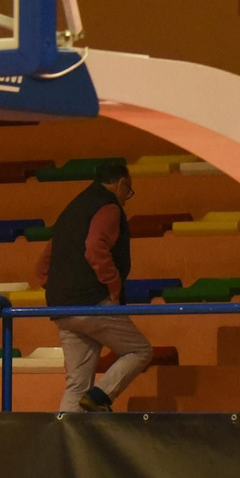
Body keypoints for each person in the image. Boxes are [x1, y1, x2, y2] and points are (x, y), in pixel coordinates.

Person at [35, 159, 153, 412]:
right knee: (140, 351)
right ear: (121, 184)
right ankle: (100, 396)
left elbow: (43, 265)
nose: (126, 199)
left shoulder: (71, 209)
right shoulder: (108, 207)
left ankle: (65, 443)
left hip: (61, 308)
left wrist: (60, 288)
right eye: (127, 192)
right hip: (92, 302)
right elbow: (95, 248)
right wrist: (113, 288)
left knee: (76, 385)